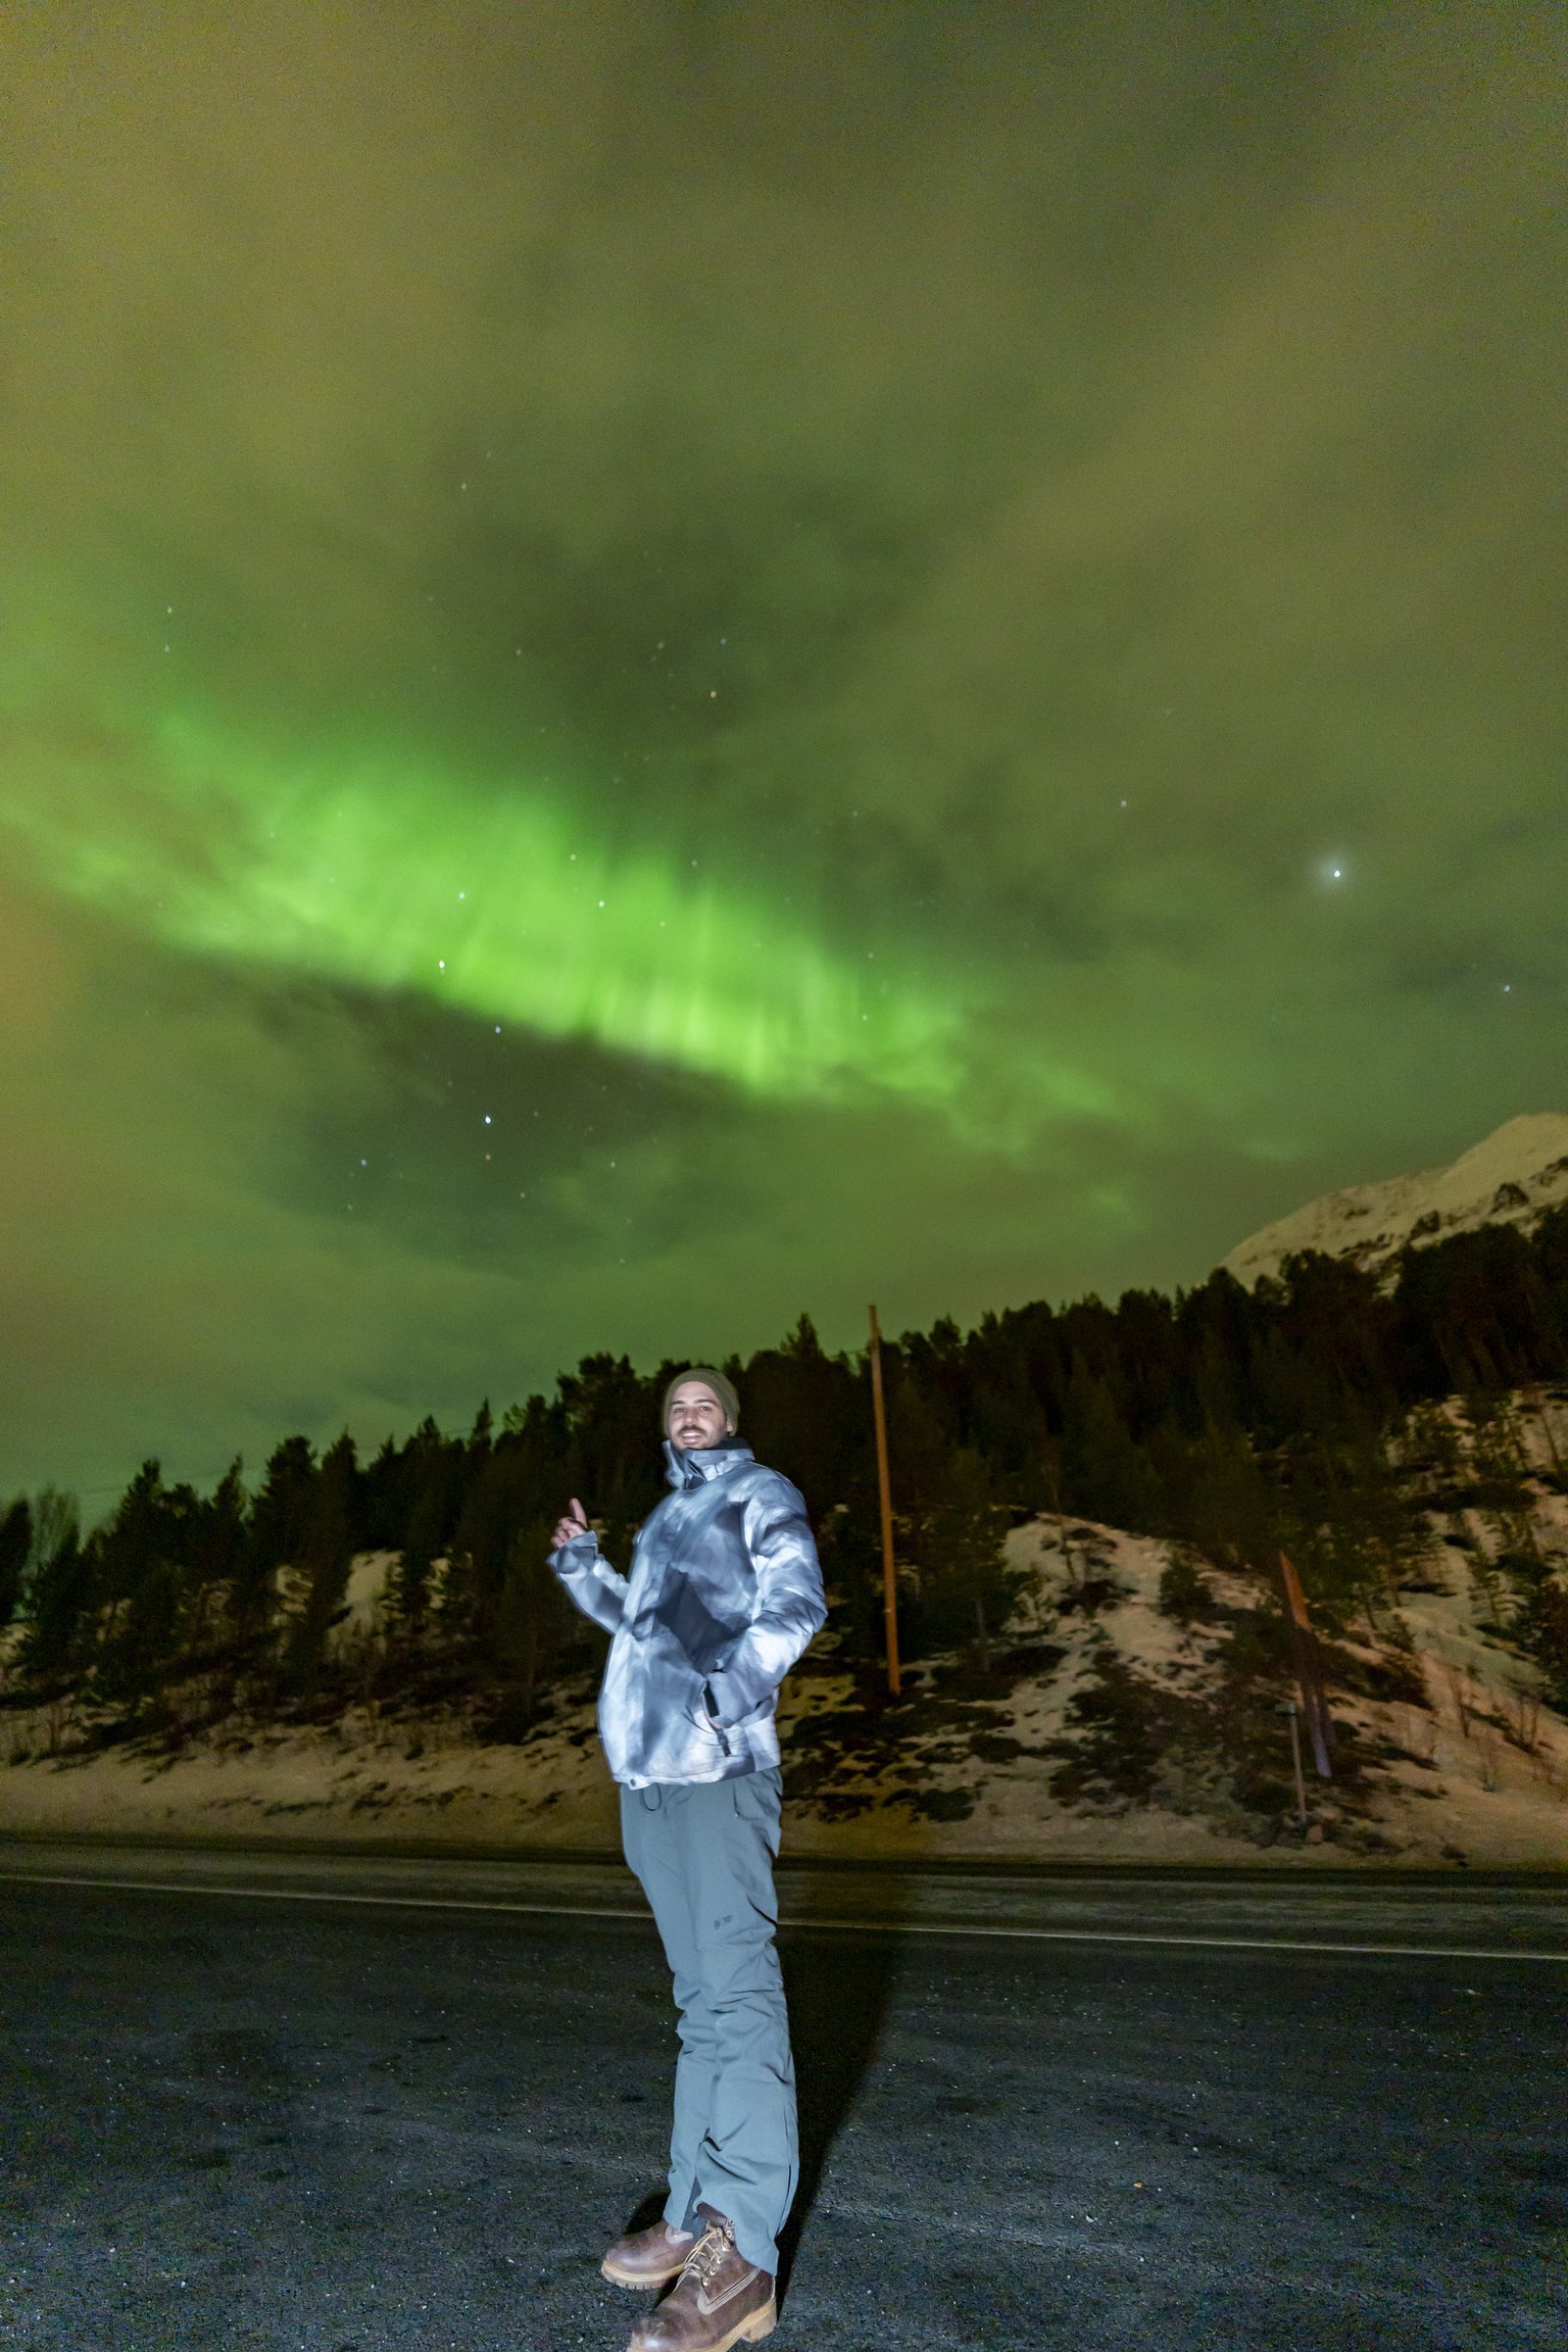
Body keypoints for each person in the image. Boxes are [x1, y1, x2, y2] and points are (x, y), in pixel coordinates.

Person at [550, 1367, 826, 2352]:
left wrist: (723, 1699)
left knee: (739, 1995)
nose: (689, 1413)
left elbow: (796, 1603)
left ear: (730, 1422)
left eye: (705, 1402)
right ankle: (687, 2212)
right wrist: (582, 1567)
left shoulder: (760, 1494)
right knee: (701, 2002)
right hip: (650, 1779)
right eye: (677, 1406)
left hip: (717, 1769)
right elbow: (641, 1626)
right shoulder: (668, 1519)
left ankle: (740, 2250)